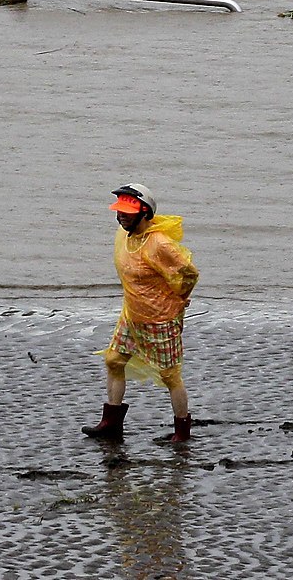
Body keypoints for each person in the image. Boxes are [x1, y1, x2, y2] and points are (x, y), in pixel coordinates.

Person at [83, 183, 198, 445]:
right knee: (113, 360)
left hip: (159, 319)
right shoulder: (123, 236)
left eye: (128, 212)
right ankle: (111, 422)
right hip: (132, 315)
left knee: (170, 376)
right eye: (119, 212)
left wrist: (179, 298)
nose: (121, 216)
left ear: (144, 213)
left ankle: (182, 432)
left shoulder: (159, 244)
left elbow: (189, 273)